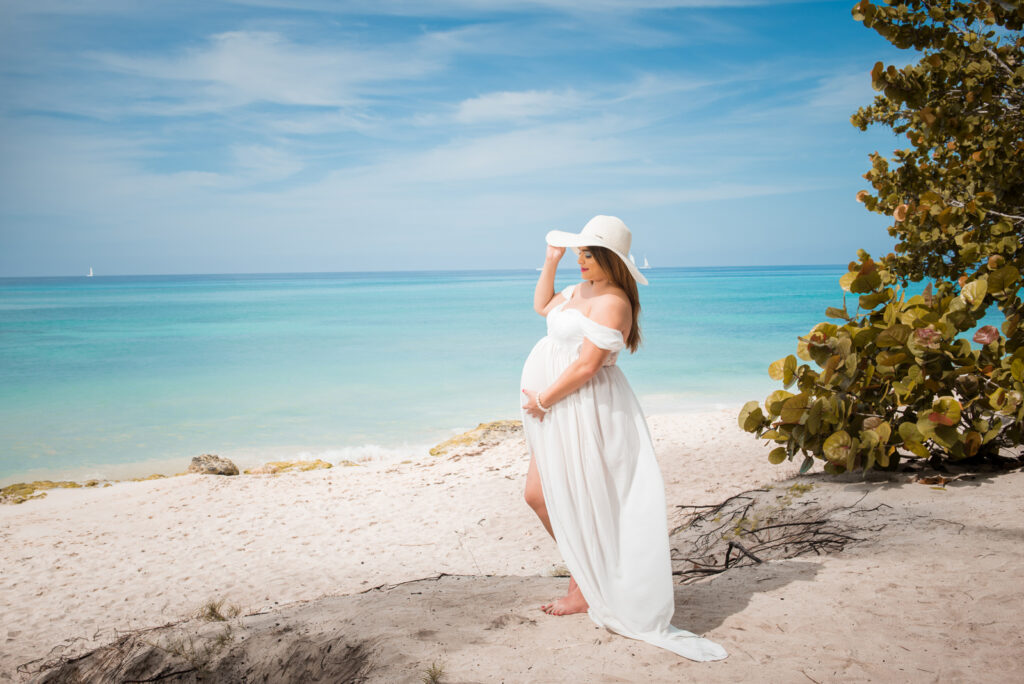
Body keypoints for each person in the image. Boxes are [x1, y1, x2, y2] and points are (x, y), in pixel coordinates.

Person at [519, 215, 727, 662]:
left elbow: (587, 366)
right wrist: (550, 261)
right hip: (557, 408)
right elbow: (542, 308)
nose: (581, 261)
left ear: (611, 260)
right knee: (539, 495)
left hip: (582, 407)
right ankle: (585, 579)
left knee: (584, 498)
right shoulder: (580, 291)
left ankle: (584, 587)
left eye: (588, 254)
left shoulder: (613, 301)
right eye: (579, 253)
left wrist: (542, 399)